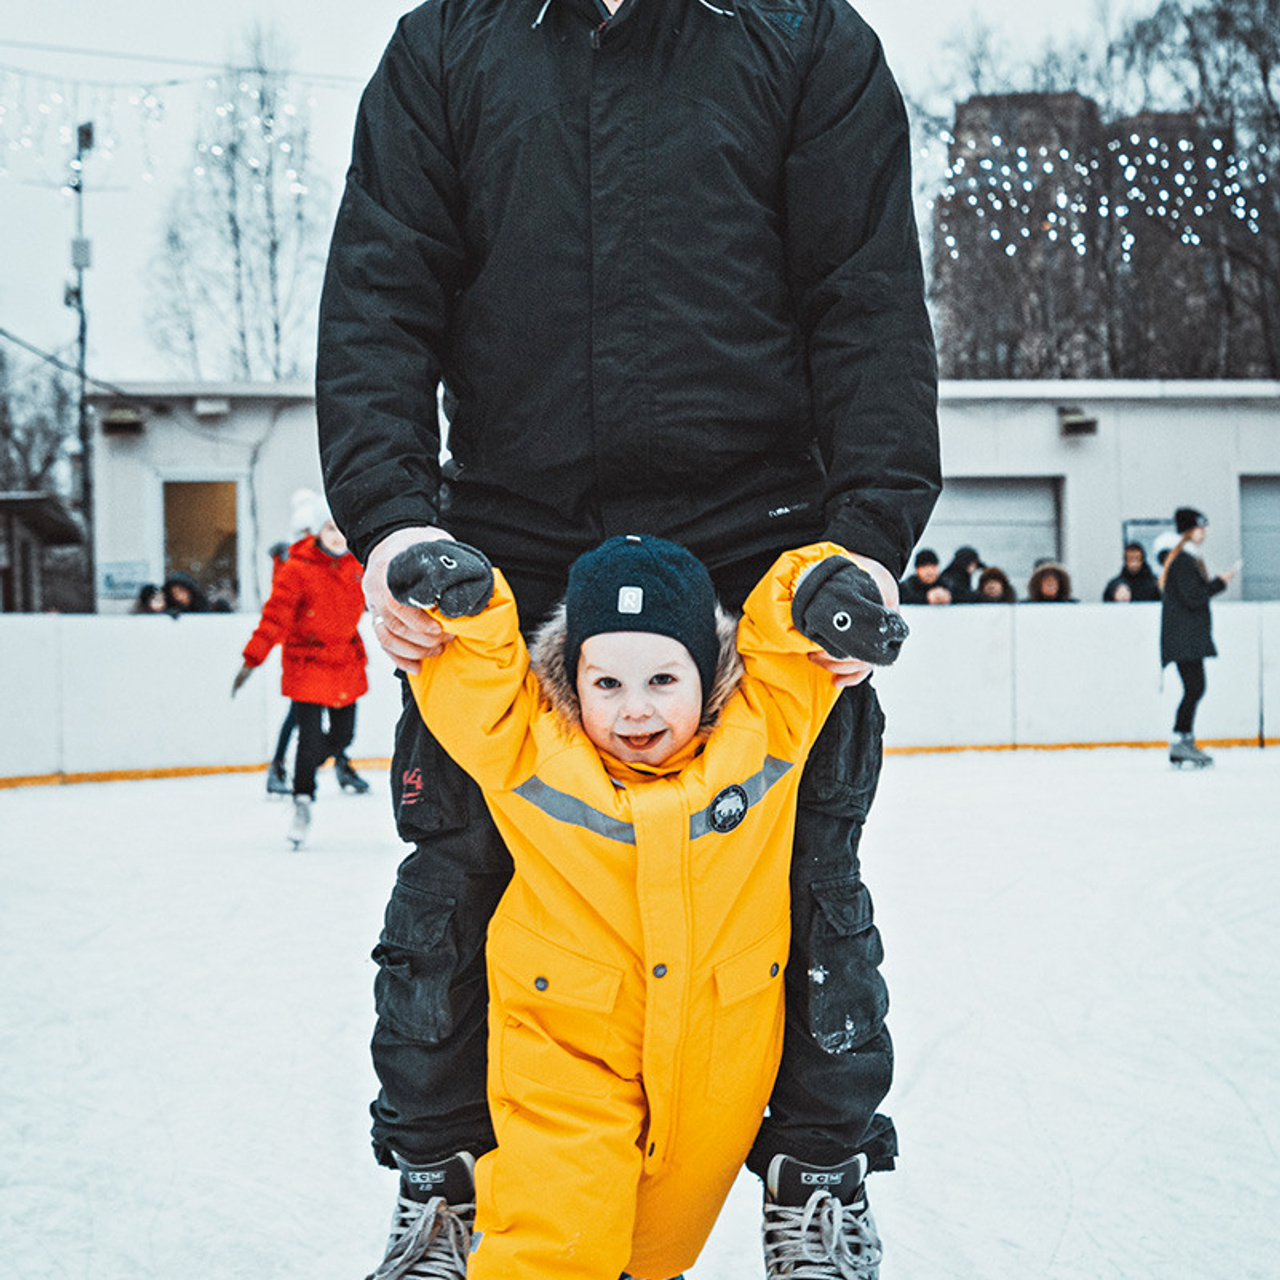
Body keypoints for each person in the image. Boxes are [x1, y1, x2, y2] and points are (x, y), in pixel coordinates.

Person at [316, 2, 940, 1276]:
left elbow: (864, 299)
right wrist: (392, 525)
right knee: (459, 876)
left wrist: (864, 543)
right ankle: (446, 1182)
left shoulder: (803, 35)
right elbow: (382, 293)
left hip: (755, 537)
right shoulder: (449, 43)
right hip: (509, 539)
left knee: (802, 873)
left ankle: (813, 1177)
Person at [384, 533, 906, 1280]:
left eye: (663, 679)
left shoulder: (759, 743)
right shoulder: (537, 753)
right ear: (573, 680)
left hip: (715, 1057)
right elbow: (480, 682)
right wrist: (469, 604)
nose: (634, 711)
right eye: (607, 685)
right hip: (566, 1046)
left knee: (655, 1251)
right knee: (556, 1238)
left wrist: (820, 591)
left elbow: (786, 645)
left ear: (709, 671)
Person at [231, 508, 371, 846]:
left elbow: (385, 602)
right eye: (329, 528)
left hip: (345, 662)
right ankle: (302, 802)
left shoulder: (359, 568)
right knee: (308, 740)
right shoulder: (297, 569)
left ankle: (302, 772)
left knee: (342, 737)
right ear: (317, 532)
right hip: (307, 662)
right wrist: (252, 659)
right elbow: (275, 617)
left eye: (341, 528)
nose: (337, 536)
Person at [1159, 507, 1239, 767]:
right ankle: (1182, 742)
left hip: (1186, 637)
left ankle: (1183, 741)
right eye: (1200, 528)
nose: (1203, 534)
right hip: (1184, 638)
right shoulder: (1183, 561)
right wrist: (1220, 582)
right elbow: (1193, 596)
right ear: (1189, 530)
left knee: (1194, 688)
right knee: (1194, 688)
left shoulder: (1184, 559)